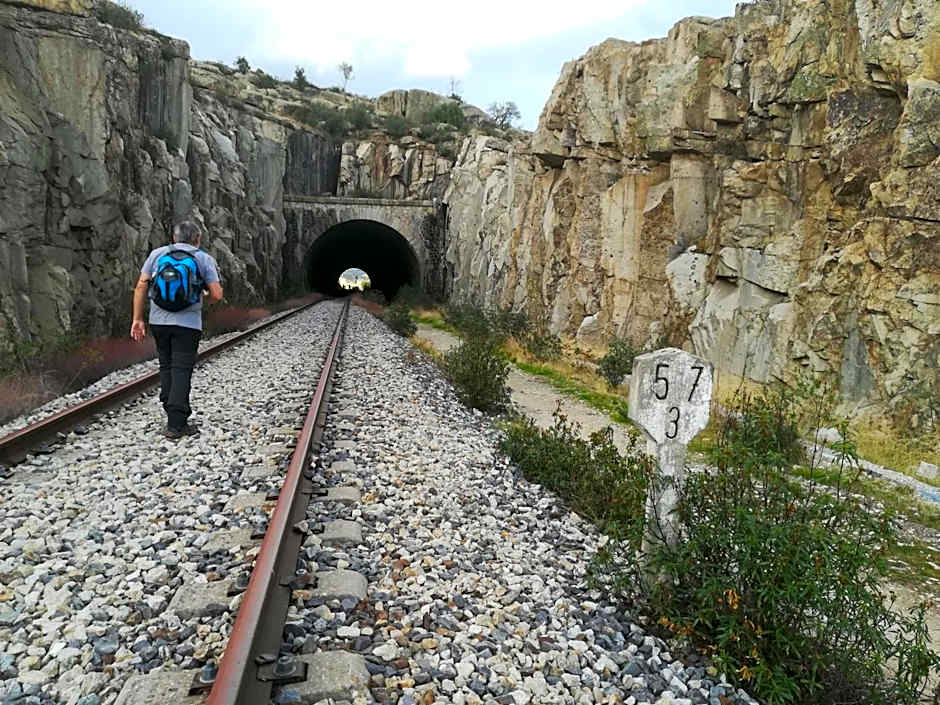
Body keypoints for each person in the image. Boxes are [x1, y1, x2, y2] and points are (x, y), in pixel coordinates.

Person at [131, 221, 223, 439]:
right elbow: (217, 295)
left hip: (158, 321)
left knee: (166, 364)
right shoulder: (203, 258)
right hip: (188, 324)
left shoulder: (157, 254)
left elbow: (141, 286)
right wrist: (200, 296)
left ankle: (169, 402)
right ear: (197, 240)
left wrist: (137, 319)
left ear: (174, 238)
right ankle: (176, 424)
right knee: (182, 368)